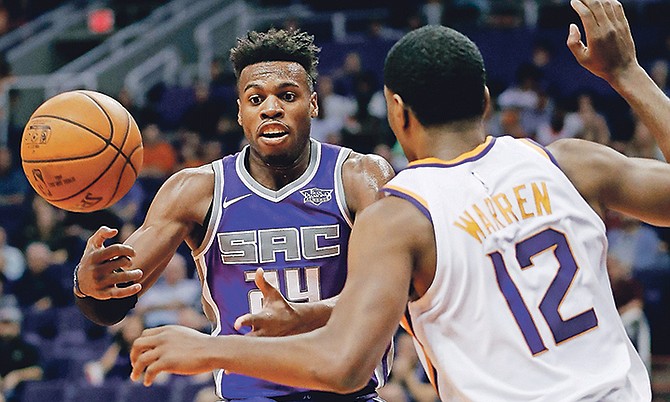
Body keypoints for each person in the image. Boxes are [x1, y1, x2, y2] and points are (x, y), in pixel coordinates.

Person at [129, 1, 667, 400]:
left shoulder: (403, 215)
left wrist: (206, 348)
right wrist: (627, 74)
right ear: (484, 98)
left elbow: (343, 364)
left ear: (397, 111)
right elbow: (454, 289)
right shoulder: (571, 163)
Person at [73, 27, 395, 401]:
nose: (270, 108)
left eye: (287, 96)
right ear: (240, 112)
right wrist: (87, 284)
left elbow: (386, 295)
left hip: (347, 392)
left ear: (313, 104)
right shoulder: (195, 190)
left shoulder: (359, 177)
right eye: (255, 98)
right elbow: (110, 304)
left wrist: (306, 315)